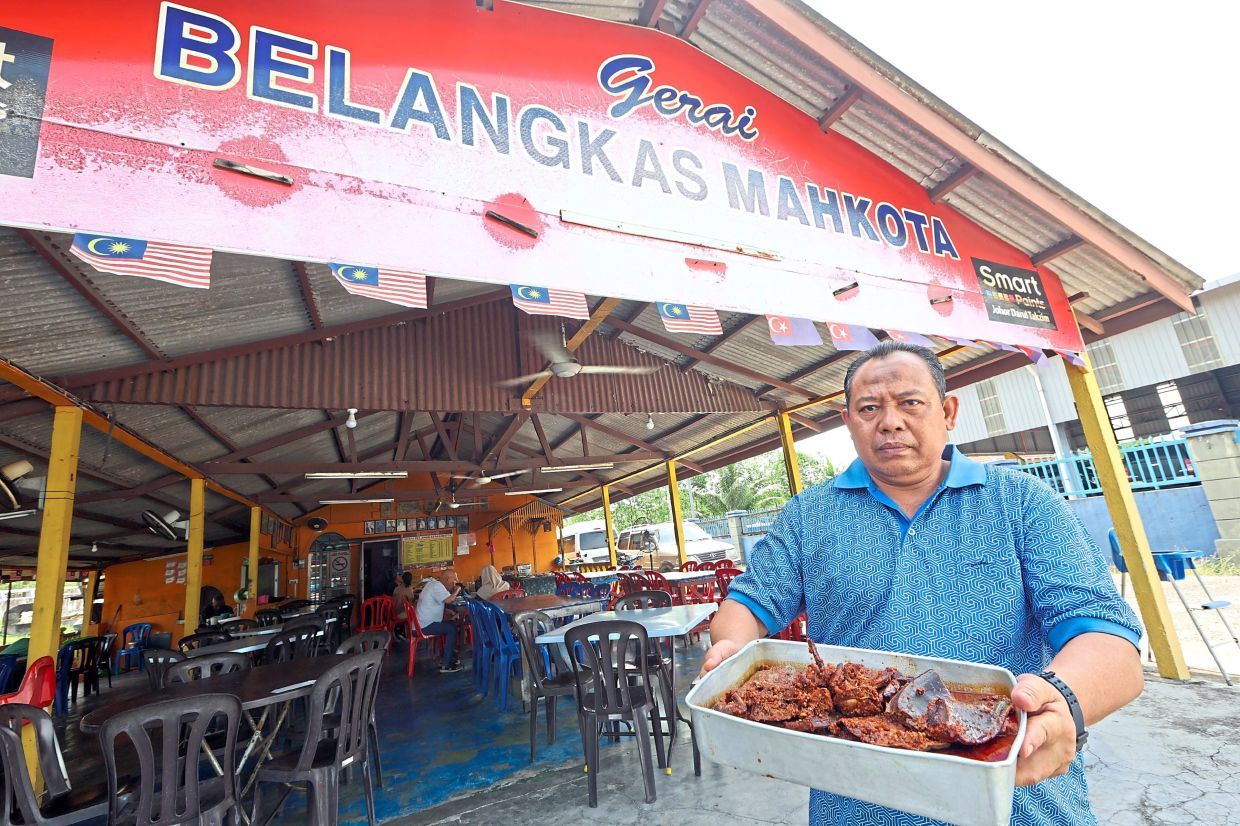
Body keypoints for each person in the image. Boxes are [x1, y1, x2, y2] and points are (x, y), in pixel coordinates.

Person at [702, 341, 1144, 825]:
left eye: (910, 402)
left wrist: (1063, 701)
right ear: (847, 420)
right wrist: (730, 651)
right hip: (858, 797)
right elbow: (748, 602)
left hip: (1014, 792)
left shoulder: (1022, 502)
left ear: (948, 411)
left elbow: (1108, 644)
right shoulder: (808, 516)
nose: (889, 421)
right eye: (869, 408)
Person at [415, 568, 463, 673]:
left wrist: (448, 611)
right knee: (451, 628)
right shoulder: (437, 586)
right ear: (446, 579)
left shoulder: (433, 584)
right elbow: (448, 599)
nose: (455, 581)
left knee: (451, 624)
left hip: (421, 624)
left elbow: (436, 602)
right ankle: (446, 664)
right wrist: (458, 590)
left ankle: (448, 656)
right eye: (454, 579)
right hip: (424, 626)